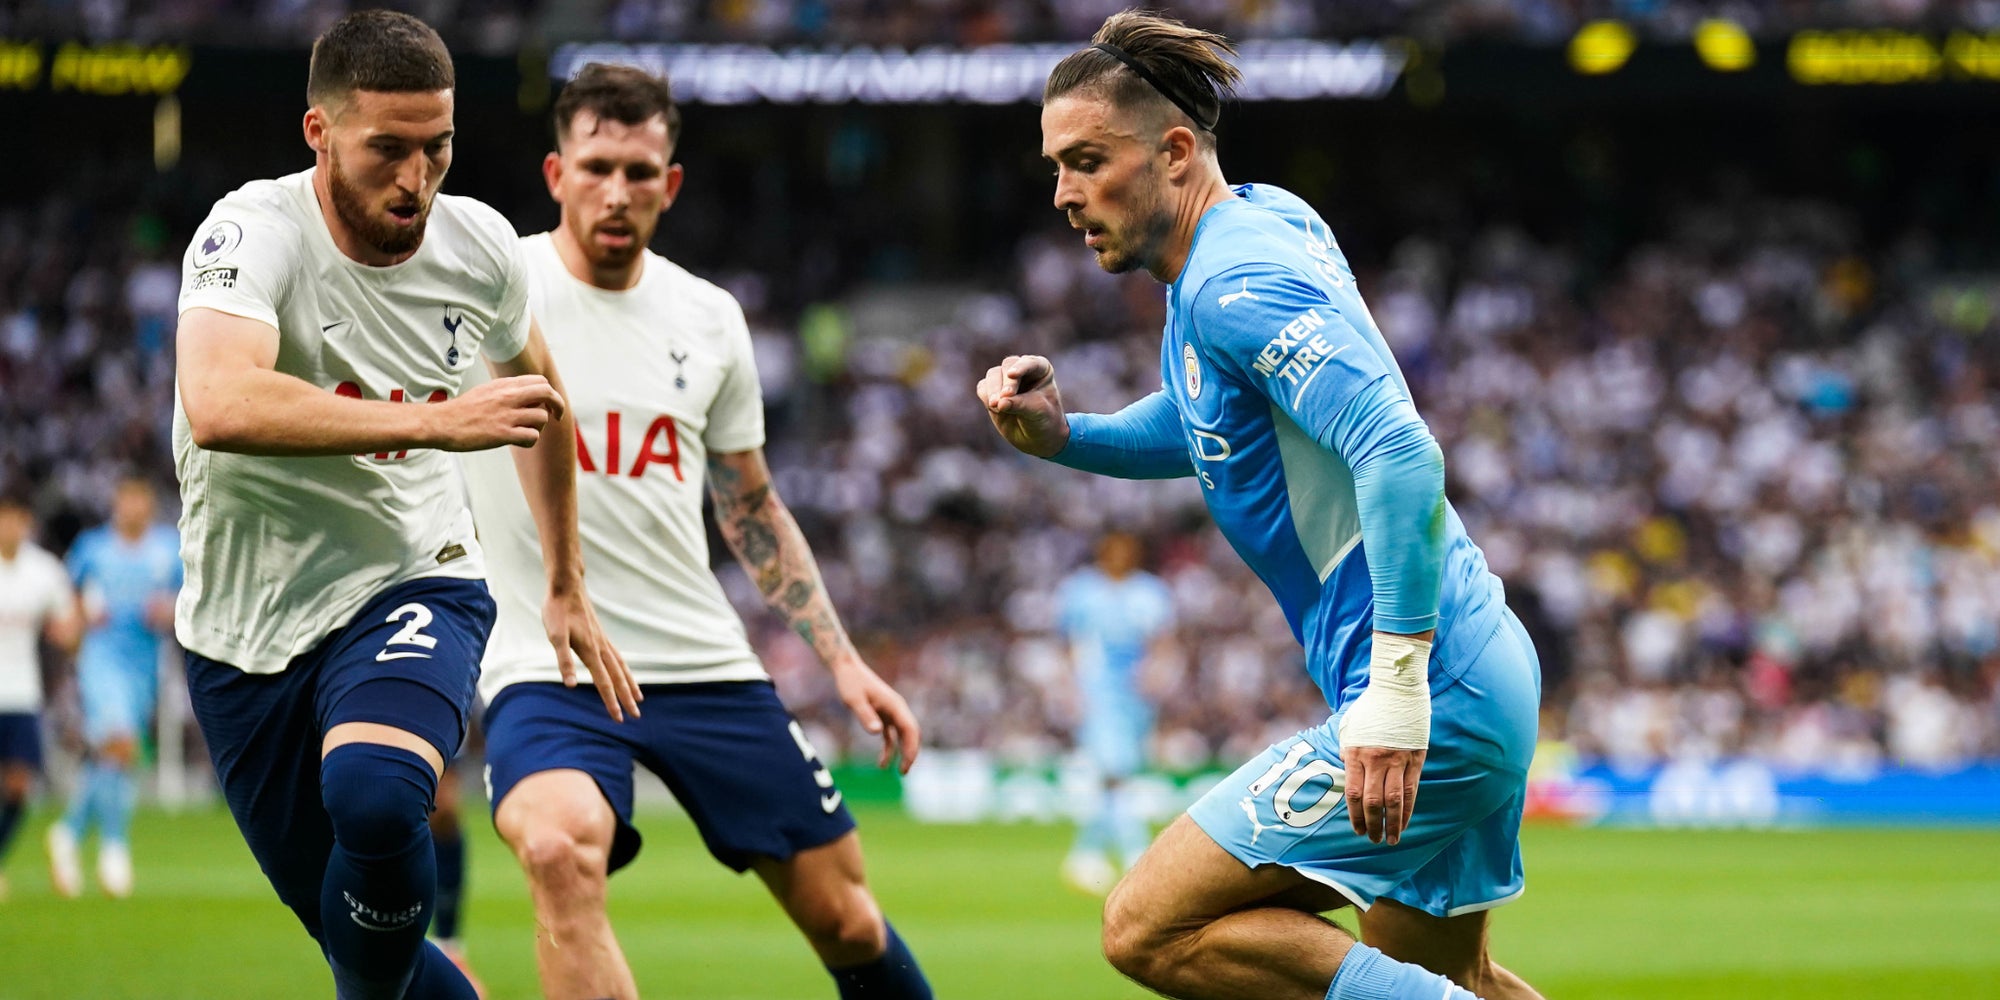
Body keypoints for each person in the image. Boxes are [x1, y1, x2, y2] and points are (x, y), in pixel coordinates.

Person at [975, 11, 1544, 1000]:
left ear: (1175, 150)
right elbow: (1210, 425)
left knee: (1147, 925)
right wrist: (1068, 435)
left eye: (1084, 160)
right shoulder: (1253, 228)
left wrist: (1395, 690)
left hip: (1429, 686)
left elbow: (1398, 446)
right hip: (1476, 663)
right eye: (1053, 166)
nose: (1062, 193)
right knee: (1448, 981)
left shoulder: (1235, 281)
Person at [171, 12, 633, 999]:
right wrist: (432, 422)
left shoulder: (478, 249)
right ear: (318, 133)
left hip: (412, 577)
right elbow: (217, 402)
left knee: (379, 800)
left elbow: (541, 402)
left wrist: (563, 581)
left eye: (439, 149)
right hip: (242, 635)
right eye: (388, 149)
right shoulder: (249, 233)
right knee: (363, 941)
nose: (416, 180)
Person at [459, 62, 930, 1000]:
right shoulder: (485, 290)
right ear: (557, 176)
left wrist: (841, 661)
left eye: (640, 171)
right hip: (548, 657)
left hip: (700, 656)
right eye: (596, 167)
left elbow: (751, 505)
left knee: (845, 918)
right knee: (557, 851)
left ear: (670, 184)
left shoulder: (708, 318)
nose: (617, 190)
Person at [46, 477, 179, 899]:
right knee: (120, 743)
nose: (132, 508)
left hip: (144, 663)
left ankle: (68, 832)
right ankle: (114, 847)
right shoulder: (92, 547)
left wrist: (170, 610)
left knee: (116, 754)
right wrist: (78, 616)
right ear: (116, 504)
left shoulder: (168, 548)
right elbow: (66, 598)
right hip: (101, 660)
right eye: (126, 500)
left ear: (149, 504)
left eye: (140, 500)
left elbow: (187, 599)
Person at [1055, 531, 1174, 894]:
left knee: (1121, 771)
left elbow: (1163, 640)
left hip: (1136, 694)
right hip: (1097, 690)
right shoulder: (1081, 590)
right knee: (1114, 769)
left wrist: (1158, 675)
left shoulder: (1151, 591)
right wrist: (1071, 688)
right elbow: (1067, 641)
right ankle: (1135, 851)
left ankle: (1084, 853)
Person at [0, 494, 78, 900]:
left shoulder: (43, 571)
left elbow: (67, 623)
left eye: (16, 519)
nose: (9, 527)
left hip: (21, 692)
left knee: (17, 787)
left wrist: (69, 634)